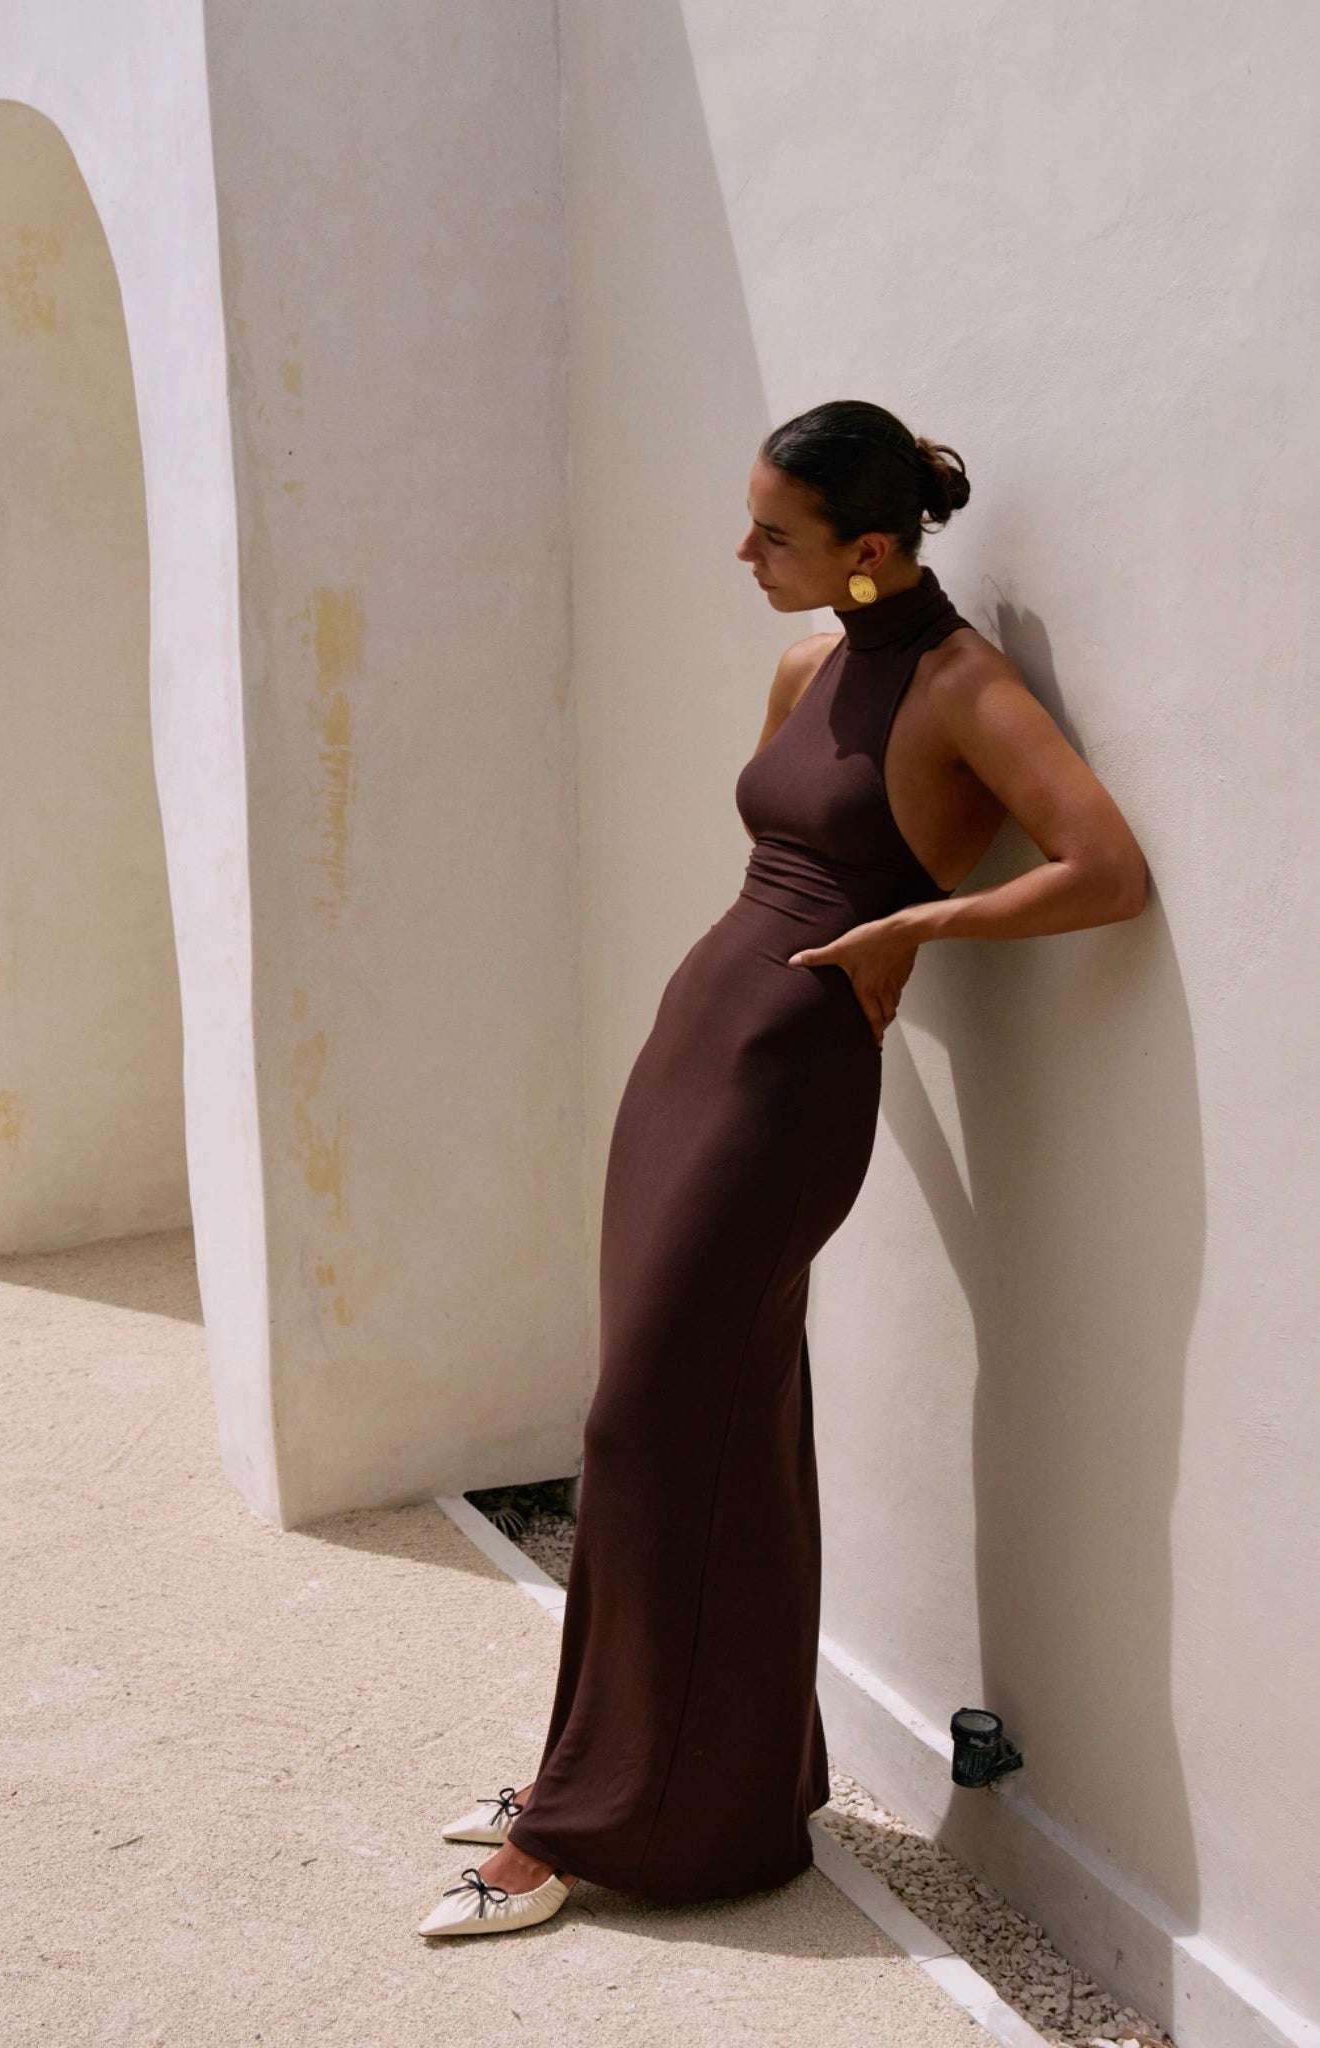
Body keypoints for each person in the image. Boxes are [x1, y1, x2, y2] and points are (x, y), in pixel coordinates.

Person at [418, 399, 1147, 1938]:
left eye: (774, 533)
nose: (740, 551)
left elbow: (1106, 868)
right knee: (688, 1414)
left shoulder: (962, 687)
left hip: (789, 1076)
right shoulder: (805, 663)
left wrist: (918, 928)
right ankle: (621, 1778)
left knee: (644, 1427)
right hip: (698, 1041)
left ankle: (597, 1813)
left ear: (867, 550)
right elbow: (774, 846)